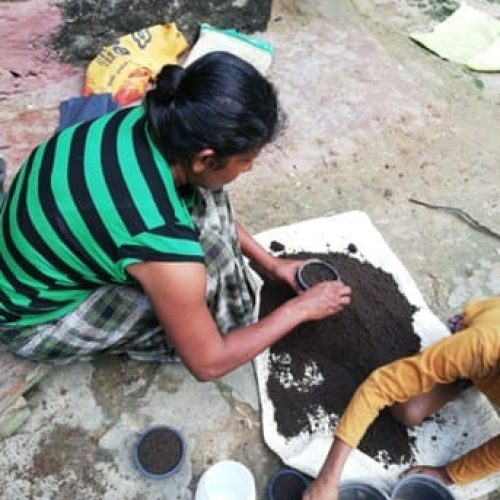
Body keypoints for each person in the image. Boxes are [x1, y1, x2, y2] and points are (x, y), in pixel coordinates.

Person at [0, 51, 351, 381]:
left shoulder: (148, 116)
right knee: (194, 300)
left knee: (209, 203)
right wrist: (301, 309)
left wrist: (272, 265)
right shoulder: (161, 239)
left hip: (28, 257)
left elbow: (201, 209)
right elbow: (207, 363)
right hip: (28, 319)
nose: (249, 168)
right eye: (246, 159)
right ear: (204, 158)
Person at [304, 297, 500, 499]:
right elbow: (379, 387)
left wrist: (445, 474)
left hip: (482, 362)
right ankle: (462, 374)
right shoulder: (480, 345)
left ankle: (466, 375)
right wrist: (328, 478)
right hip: (473, 333)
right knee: (408, 411)